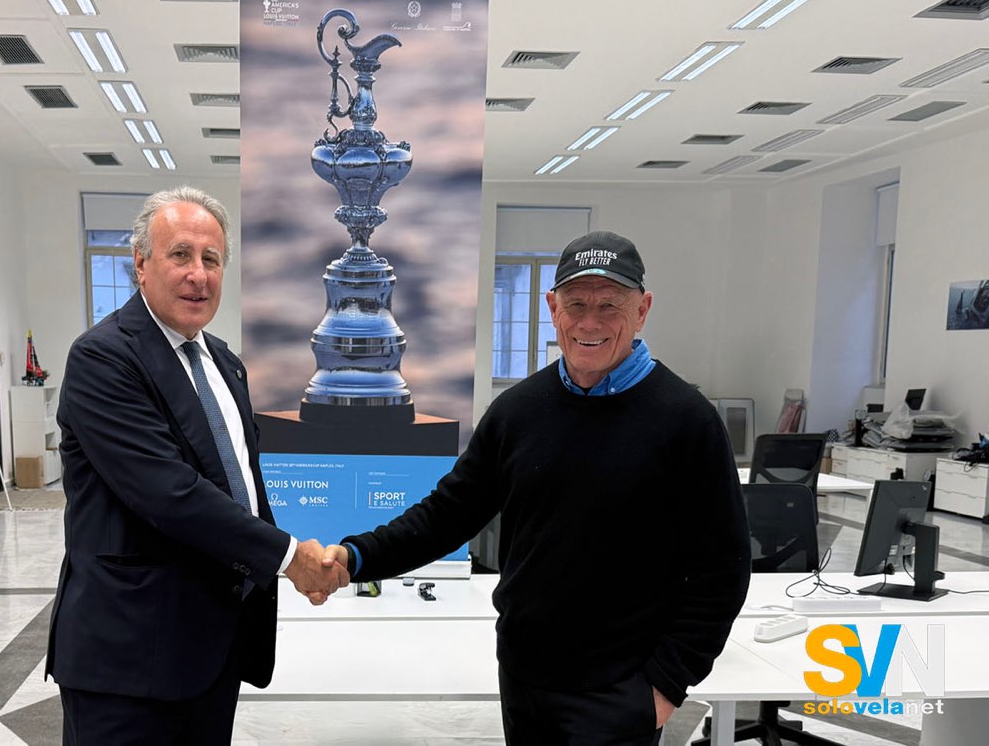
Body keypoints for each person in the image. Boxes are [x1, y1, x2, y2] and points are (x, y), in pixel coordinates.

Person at [321, 231, 751, 745]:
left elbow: (722, 568)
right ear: (553, 308)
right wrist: (356, 557)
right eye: (576, 304)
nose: (589, 323)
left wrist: (666, 682)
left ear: (642, 310)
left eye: (609, 305)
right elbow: (446, 515)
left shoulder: (687, 421)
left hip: (622, 689)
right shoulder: (518, 412)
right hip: (525, 678)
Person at [46, 185, 348, 745]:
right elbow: (170, 492)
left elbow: (242, 485)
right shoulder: (103, 358)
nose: (198, 275)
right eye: (180, 254)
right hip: (127, 661)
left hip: (211, 648)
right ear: (140, 263)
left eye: (212, 259)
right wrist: (290, 558)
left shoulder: (225, 363)